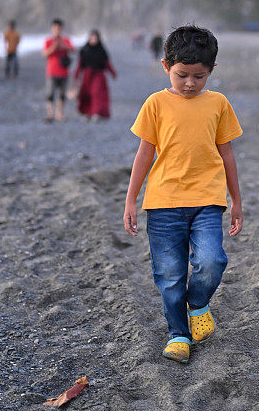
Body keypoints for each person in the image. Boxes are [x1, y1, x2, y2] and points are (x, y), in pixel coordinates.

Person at [123, 25, 243, 364]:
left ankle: (199, 304)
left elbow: (228, 154)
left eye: (199, 76)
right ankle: (179, 334)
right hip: (163, 204)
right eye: (182, 75)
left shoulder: (219, 103)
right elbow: (144, 154)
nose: (190, 83)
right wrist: (131, 199)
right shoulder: (156, 104)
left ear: (212, 71)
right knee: (170, 275)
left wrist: (236, 201)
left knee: (212, 260)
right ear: (165, 66)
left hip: (208, 200)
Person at [75, 30, 117, 120]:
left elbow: (107, 63)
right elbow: (80, 64)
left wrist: (113, 73)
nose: (93, 40)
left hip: (99, 75)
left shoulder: (101, 50)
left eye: (95, 38)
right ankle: (87, 112)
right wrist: (77, 74)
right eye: (92, 38)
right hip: (87, 75)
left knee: (96, 93)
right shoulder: (84, 50)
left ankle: (96, 112)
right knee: (86, 94)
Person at [42, 19, 74, 122]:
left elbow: (73, 49)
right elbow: (45, 54)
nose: (57, 30)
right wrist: (54, 46)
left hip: (64, 71)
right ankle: (50, 114)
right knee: (50, 94)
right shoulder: (48, 40)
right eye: (55, 28)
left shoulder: (66, 40)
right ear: (52, 29)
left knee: (62, 94)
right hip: (51, 71)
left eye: (59, 28)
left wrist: (63, 46)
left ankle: (59, 113)